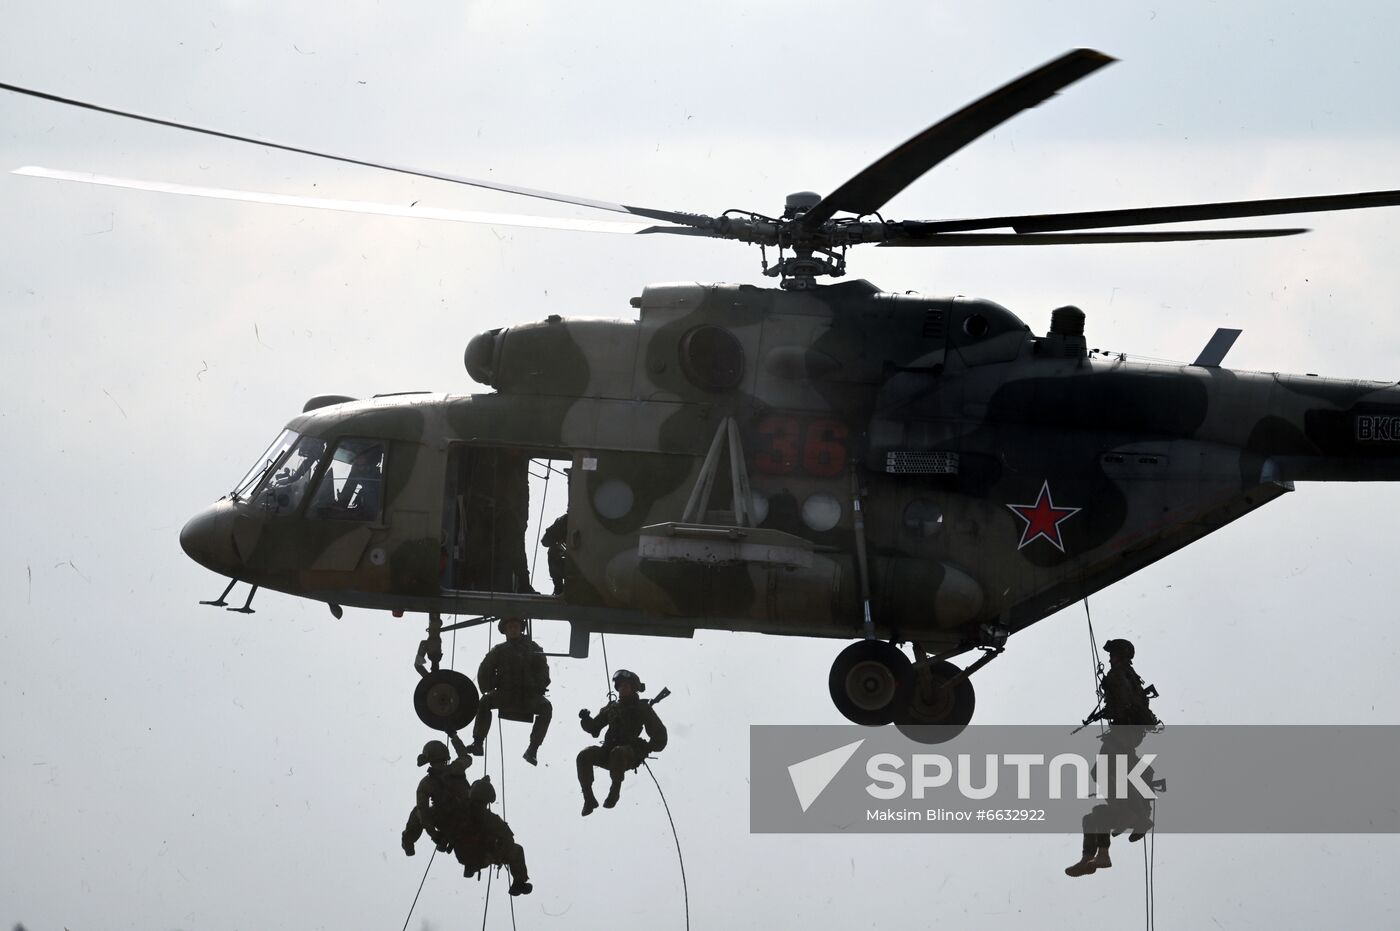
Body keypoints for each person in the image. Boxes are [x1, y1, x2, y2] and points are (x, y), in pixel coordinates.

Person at [1066, 638, 1158, 877]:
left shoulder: (1121, 674)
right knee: (1092, 817)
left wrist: (1117, 708)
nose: (1109, 658)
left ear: (1121, 655)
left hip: (1125, 732)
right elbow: (1127, 701)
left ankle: (1140, 822)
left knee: (1104, 770)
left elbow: (1127, 701)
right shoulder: (1125, 676)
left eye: (1113, 654)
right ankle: (1095, 858)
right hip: (1127, 734)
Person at [576, 668, 668, 816]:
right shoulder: (612, 708)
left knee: (618, 752)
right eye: (620, 686)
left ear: (633, 688)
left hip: (627, 754)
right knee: (584, 756)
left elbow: (660, 736)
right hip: (607, 753)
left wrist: (645, 748)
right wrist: (585, 719)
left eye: (625, 686)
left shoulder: (641, 708)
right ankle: (589, 799)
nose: (622, 689)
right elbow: (594, 728)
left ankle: (615, 791)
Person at [467, 616, 552, 766]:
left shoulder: (533, 648)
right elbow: (485, 670)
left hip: (528, 696)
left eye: (516, 626)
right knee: (485, 701)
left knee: (546, 707)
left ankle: (532, 750)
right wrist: (488, 686)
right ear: (505, 631)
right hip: (505, 695)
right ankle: (478, 743)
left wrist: (538, 686)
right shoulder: (499, 651)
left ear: (521, 628)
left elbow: (543, 670)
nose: (513, 629)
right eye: (510, 627)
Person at [441, 775, 532, 896]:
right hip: (483, 857)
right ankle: (519, 883)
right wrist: (498, 852)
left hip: (462, 856)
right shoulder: (490, 818)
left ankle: (470, 866)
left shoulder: (459, 812)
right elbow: (508, 838)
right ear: (487, 799)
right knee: (517, 850)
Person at [401, 731, 472, 857]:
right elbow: (465, 756)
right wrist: (453, 736)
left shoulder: (426, 783)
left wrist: (433, 834)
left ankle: (408, 843)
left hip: (445, 818)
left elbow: (423, 811)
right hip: (467, 814)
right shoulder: (457, 767)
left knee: (416, 812)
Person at [541, 514, 570, 596]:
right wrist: (557, 542)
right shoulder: (563, 521)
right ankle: (559, 589)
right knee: (553, 551)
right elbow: (545, 541)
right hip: (570, 562)